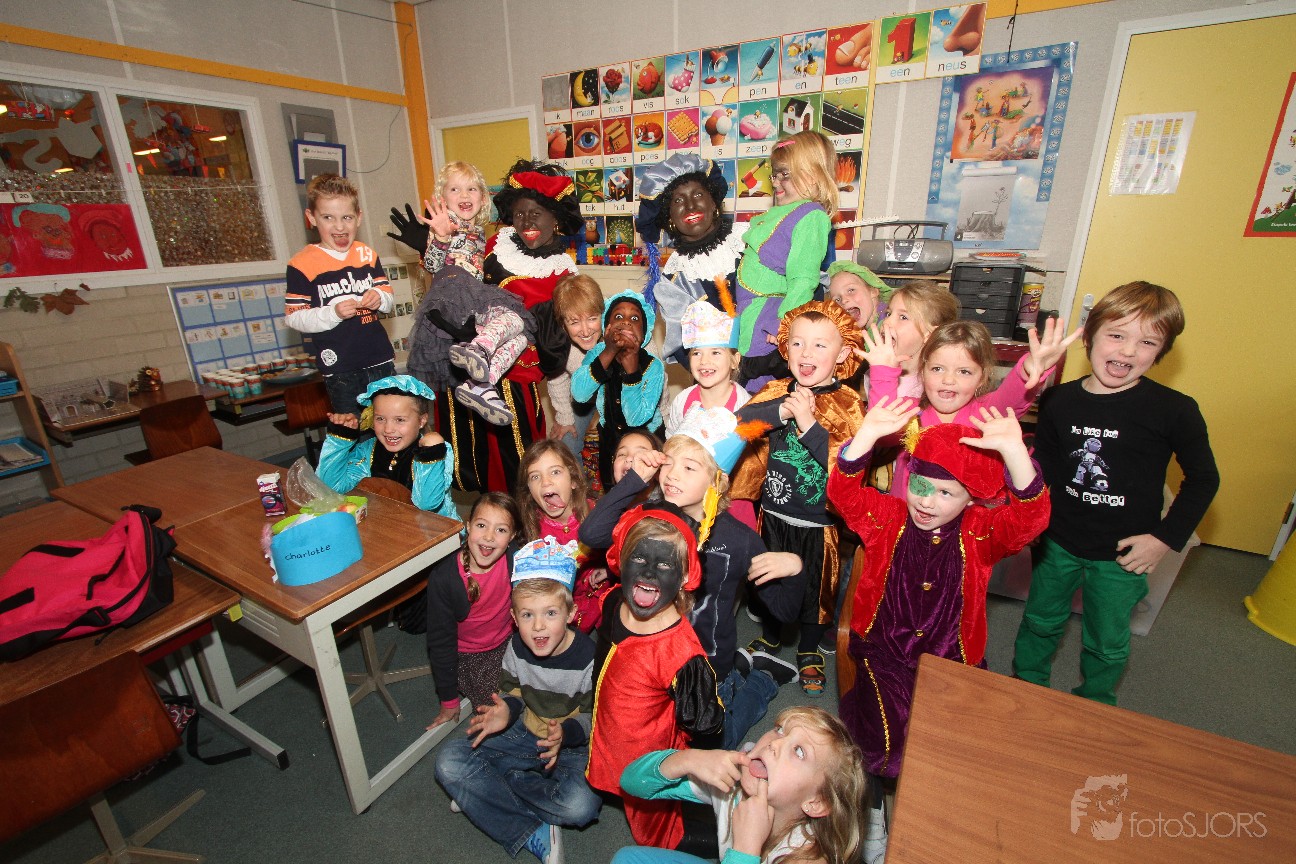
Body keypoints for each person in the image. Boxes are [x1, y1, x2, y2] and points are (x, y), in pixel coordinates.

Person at [828, 399, 1051, 859]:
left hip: (953, 663)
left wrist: (1015, 454)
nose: (927, 502)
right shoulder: (888, 517)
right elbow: (844, 495)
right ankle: (872, 810)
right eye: (920, 486)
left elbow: (1029, 521)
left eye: (946, 493)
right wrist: (866, 436)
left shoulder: (981, 532)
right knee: (882, 740)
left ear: (971, 497)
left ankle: (926, 820)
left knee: (947, 749)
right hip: (884, 653)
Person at [1013, 281, 1219, 705]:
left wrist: (1164, 540)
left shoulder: (1175, 409)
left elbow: (1204, 479)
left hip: (1125, 554)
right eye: (1117, 335)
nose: (1127, 351)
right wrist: (1030, 521)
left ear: (1161, 352)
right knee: (1040, 621)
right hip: (1057, 541)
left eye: (1147, 342)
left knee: (1106, 639)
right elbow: (1043, 468)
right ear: (1090, 336)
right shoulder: (1058, 400)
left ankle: (1096, 705)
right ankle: (1026, 689)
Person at [580, 407, 804, 749]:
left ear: (717, 481)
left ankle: (762, 680)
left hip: (710, 665)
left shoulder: (740, 540)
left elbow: (784, 612)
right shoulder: (649, 519)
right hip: (653, 661)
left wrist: (795, 570)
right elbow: (592, 534)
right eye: (668, 463)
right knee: (654, 747)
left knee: (713, 746)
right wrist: (634, 480)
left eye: (689, 467)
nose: (672, 475)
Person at [434, 537, 601, 864]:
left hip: (568, 746)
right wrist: (506, 712)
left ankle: (487, 792)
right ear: (514, 616)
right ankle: (531, 826)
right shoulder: (516, 646)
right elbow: (512, 691)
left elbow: (592, 717)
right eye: (527, 615)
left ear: (571, 613)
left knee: (581, 806)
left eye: (550, 613)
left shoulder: (589, 658)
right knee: (448, 761)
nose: (538, 627)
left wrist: (565, 734)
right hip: (523, 731)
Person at [730, 301, 867, 696]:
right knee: (769, 578)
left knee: (816, 589)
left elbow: (849, 463)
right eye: (798, 343)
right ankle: (772, 637)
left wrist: (809, 425)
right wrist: (783, 411)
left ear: (842, 353)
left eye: (820, 345)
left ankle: (808, 649)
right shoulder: (776, 390)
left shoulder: (848, 404)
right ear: (785, 348)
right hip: (774, 511)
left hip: (817, 521)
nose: (807, 353)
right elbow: (740, 424)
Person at [429, 159, 583, 495]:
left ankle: (522, 520)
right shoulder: (494, 246)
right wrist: (435, 244)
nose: (527, 222)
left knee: (519, 466)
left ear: (555, 219)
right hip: (467, 364)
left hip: (516, 381)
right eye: (519, 214)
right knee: (472, 462)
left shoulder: (564, 272)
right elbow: (452, 281)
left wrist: (564, 414)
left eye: (537, 213)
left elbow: (562, 348)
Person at [587, 505, 724, 851]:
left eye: (664, 564)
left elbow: (706, 723)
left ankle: (757, 682)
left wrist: (685, 764)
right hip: (610, 733)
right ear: (620, 561)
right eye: (638, 558)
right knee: (613, 778)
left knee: (656, 833)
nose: (648, 571)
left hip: (648, 757)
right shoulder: (613, 601)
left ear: (684, 576)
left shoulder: (681, 654)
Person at [612, 706, 869, 864]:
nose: (774, 742)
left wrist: (746, 849)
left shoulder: (806, 859)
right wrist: (686, 760)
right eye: (780, 730)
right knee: (626, 859)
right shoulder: (731, 783)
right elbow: (631, 783)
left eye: (799, 751)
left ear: (816, 802)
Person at [866, 317, 1079, 499]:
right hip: (906, 524)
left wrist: (1028, 369)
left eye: (964, 372)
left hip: (963, 529)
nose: (948, 379)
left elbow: (1011, 398)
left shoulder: (985, 414)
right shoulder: (912, 413)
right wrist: (883, 371)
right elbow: (881, 428)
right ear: (922, 372)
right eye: (937, 369)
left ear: (981, 378)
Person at [406, 161, 534, 426]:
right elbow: (432, 265)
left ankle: (483, 383)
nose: (464, 195)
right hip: (453, 290)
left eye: (471, 189)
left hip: (473, 297)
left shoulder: (479, 231)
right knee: (514, 319)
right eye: (455, 189)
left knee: (520, 333)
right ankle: (480, 350)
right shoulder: (445, 224)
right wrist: (440, 237)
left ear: (483, 198)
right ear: (443, 199)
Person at [734, 131, 837, 389]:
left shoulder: (811, 216)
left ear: (813, 175)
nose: (777, 182)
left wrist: (786, 326)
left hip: (769, 323)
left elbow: (803, 280)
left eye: (785, 174)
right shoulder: (784, 212)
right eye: (775, 175)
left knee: (761, 392)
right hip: (753, 317)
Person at [285, 173, 395, 414]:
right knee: (353, 428)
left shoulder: (367, 254)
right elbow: (294, 317)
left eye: (347, 217)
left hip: (380, 359)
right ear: (311, 218)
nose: (339, 226)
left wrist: (380, 298)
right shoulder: (301, 264)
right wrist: (332, 313)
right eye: (328, 217)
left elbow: (388, 298)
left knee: (391, 425)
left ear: (358, 218)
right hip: (340, 368)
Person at [424, 492, 524, 728]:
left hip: (510, 638)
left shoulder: (515, 557)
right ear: (468, 526)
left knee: (543, 681)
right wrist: (449, 700)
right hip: (471, 655)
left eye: (501, 530)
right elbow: (440, 642)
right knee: (499, 709)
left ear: (512, 536)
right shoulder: (445, 578)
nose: (489, 537)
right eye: (481, 525)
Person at [635, 154, 745, 366]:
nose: (690, 206)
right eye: (678, 200)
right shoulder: (674, 279)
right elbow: (683, 347)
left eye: (698, 194)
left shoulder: (749, 240)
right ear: (669, 216)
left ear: (714, 203)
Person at [316, 374, 456, 519]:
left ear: (422, 420)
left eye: (400, 420)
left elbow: (427, 504)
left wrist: (431, 454)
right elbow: (330, 487)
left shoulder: (438, 452)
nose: (388, 429)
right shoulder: (367, 451)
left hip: (434, 528)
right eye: (380, 419)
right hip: (387, 524)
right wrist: (340, 439)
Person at [570, 291, 667, 488]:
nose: (626, 322)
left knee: (648, 490)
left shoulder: (653, 366)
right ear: (607, 328)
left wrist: (632, 374)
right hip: (610, 436)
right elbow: (579, 394)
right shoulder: (599, 353)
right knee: (611, 483)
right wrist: (609, 351)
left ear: (644, 333)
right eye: (618, 317)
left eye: (635, 319)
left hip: (647, 438)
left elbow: (636, 418)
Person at [516, 439, 609, 632]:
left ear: (573, 480)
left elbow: (620, 551)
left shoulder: (597, 515)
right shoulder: (532, 530)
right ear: (529, 491)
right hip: (564, 616)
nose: (546, 482)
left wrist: (609, 568)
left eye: (555, 472)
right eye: (535, 476)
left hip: (603, 604)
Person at [665, 300, 749, 436]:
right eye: (696, 353)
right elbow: (671, 441)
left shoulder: (745, 405)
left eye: (715, 352)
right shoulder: (681, 402)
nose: (704, 361)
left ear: (735, 360)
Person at [547, 274, 605, 460]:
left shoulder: (623, 328)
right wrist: (564, 418)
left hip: (623, 399)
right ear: (563, 324)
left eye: (592, 318)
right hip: (585, 398)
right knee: (564, 447)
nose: (585, 331)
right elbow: (558, 378)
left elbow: (656, 376)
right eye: (574, 322)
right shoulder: (557, 342)